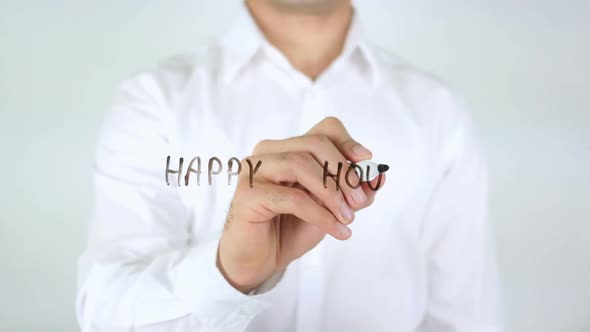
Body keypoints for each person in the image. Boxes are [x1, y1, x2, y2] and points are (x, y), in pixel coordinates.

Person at [76, 0, 502, 331]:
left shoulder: (438, 113)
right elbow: (105, 314)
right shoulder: (154, 103)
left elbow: (466, 320)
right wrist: (231, 272)